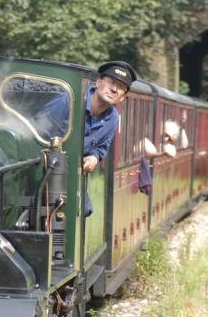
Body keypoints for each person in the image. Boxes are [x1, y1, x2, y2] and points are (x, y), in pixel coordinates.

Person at [34, 60, 137, 215]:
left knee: (85, 209)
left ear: (123, 97)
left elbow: (102, 147)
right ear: (98, 82)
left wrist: (94, 157)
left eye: (121, 87)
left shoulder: (113, 118)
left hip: (71, 174)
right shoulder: (68, 101)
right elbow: (38, 129)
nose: (114, 89)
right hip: (45, 168)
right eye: (111, 82)